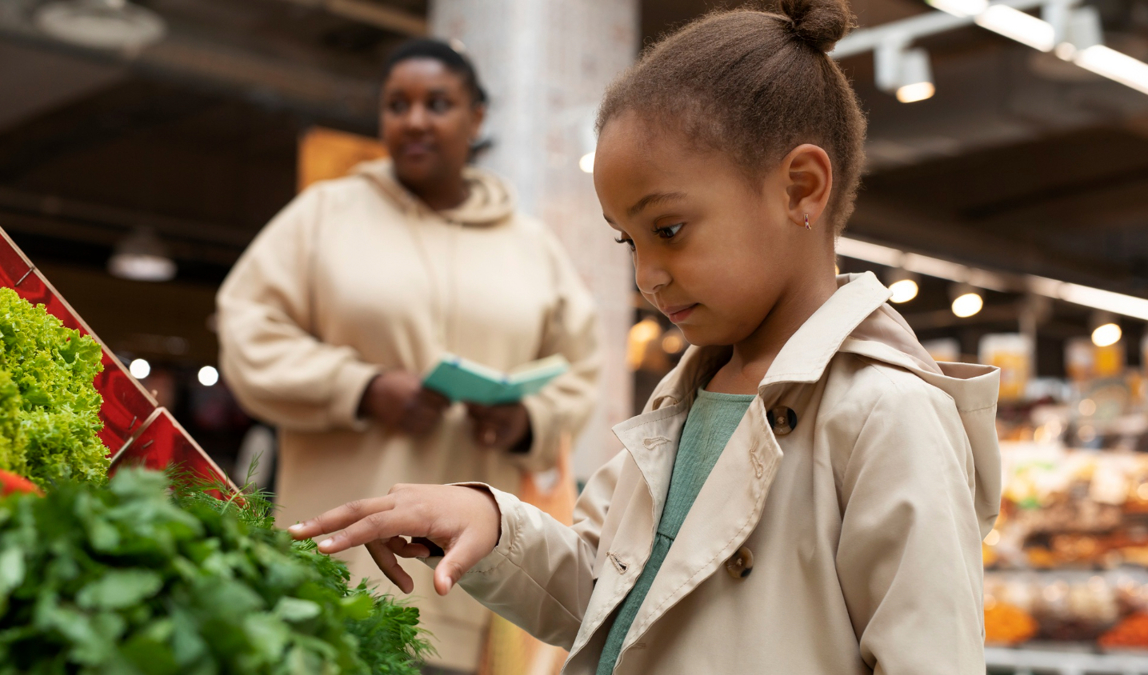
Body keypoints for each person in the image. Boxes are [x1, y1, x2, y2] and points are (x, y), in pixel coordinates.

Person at [287, 2, 1002, 674]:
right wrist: (493, 523)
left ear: (801, 188)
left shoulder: (888, 413)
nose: (647, 276)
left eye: (668, 229)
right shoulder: (685, 395)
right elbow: (606, 589)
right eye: (627, 240)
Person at [216, 39, 601, 673]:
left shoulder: (531, 246)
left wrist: (526, 418)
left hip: (474, 581)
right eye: (398, 105)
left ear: (476, 119)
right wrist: (362, 388)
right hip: (339, 570)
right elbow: (248, 330)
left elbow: (580, 368)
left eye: (438, 104)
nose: (416, 119)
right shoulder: (324, 216)